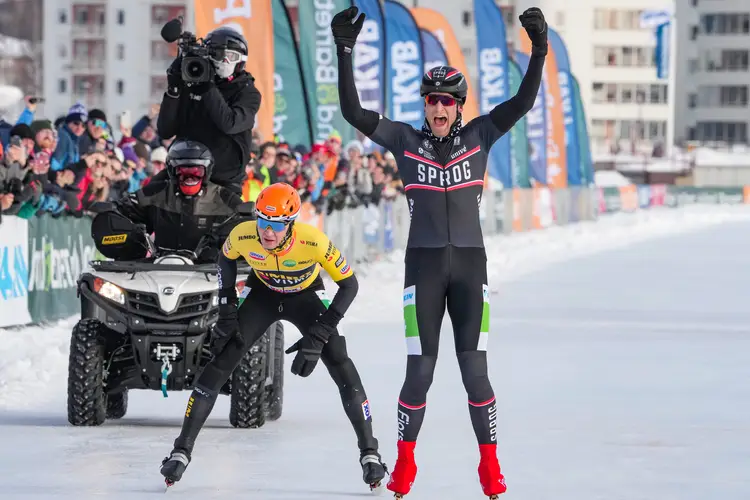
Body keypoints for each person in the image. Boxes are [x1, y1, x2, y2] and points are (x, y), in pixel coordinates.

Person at [332, 6, 547, 499]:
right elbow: (353, 113)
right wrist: (345, 50)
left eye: (446, 101)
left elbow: (524, 101)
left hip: (471, 268)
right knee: (420, 372)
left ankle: (490, 465)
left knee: (475, 373)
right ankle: (405, 463)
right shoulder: (404, 141)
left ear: (459, 106)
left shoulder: (480, 134)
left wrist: (538, 49)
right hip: (423, 270)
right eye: (431, 100)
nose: (438, 109)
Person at [159, 182, 387, 490]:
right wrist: (226, 310)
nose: (267, 232)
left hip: (306, 296)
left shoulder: (313, 241)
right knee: (222, 358)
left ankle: (370, 453)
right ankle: (181, 451)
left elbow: (350, 285)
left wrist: (320, 333)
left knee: (339, 359)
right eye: (263, 222)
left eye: (277, 225)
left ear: (290, 224)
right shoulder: (242, 234)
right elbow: (225, 260)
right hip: (262, 295)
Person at [157, 26, 261, 194]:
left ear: (241, 61)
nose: (224, 61)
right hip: (184, 172)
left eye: (231, 57)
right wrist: (174, 90)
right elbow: (165, 130)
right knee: (142, 199)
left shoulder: (247, 92)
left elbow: (230, 123)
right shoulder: (192, 81)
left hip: (223, 179)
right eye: (218, 54)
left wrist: (207, 87)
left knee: (233, 210)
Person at [101, 139, 242, 262]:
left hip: (209, 274)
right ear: (172, 172)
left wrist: (221, 243)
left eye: (196, 172)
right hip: (158, 271)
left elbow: (246, 221)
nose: (190, 178)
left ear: (207, 172)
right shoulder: (155, 192)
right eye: (183, 172)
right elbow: (122, 209)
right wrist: (117, 221)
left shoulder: (224, 198)